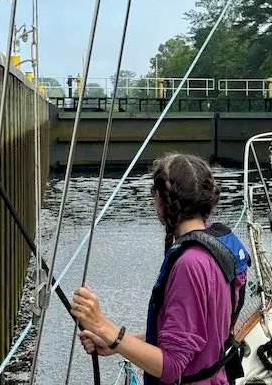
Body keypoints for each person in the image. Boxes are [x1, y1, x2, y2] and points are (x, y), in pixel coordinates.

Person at [72, 153, 250, 384]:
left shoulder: (190, 265)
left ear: (160, 201)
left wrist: (104, 327)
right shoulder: (219, 248)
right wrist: (120, 345)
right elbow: (191, 334)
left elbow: (172, 366)